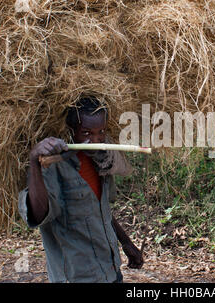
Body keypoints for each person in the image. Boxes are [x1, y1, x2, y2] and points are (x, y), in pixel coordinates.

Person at [18, 97, 143, 283]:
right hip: (77, 276)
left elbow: (100, 211)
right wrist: (35, 162)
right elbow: (38, 215)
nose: (95, 140)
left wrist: (125, 242)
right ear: (71, 130)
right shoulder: (52, 166)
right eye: (86, 133)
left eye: (100, 132)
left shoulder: (101, 160)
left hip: (110, 271)